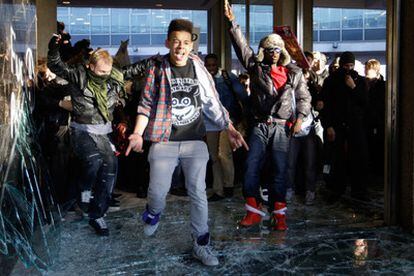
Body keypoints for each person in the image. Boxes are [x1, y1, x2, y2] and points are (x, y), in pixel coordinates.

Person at [126, 19, 247, 266]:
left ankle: (201, 245)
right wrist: (138, 134)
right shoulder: (157, 68)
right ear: (167, 43)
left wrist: (230, 127)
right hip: (163, 140)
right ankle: (153, 212)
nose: (180, 47)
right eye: (176, 42)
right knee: (158, 193)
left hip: (194, 142)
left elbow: (212, 101)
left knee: (198, 193)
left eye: (185, 42)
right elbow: (146, 103)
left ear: (192, 45)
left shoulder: (198, 67)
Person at [47, 36, 153, 236]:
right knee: (93, 162)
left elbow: (138, 68)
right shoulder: (77, 74)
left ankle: (97, 214)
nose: (105, 76)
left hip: (104, 130)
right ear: (90, 66)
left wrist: (157, 60)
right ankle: (83, 196)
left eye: (108, 71)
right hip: (82, 129)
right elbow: (56, 65)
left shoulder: (114, 75)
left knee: (110, 169)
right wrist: (54, 46)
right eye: (101, 72)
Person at [224, 0, 311, 230]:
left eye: (277, 49)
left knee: (280, 169)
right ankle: (254, 210)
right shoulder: (256, 68)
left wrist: (300, 119)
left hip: (283, 127)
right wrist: (232, 22)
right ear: (265, 51)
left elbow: (304, 98)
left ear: (281, 51)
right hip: (260, 126)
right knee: (251, 166)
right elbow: (242, 48)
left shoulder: (294, 72)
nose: (273, 53)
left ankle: (278, 213)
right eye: (269, 49)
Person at [322, 51, 369, 201]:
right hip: (337, 124)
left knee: (359, 158)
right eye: (345, 66)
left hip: (355, 124)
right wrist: (328, 125)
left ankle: (359, 190)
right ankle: (336, 189)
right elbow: (326, 105)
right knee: (337, 158)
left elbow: (365, 102)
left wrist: (354, 87)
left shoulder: (359, 81)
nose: (348, 69)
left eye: (351, 66)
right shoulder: (331, 81)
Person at [204, 53, 247, 201]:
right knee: (214, 156)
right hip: (210, 122)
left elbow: (242, 96)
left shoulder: (227, 77)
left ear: (217, 64)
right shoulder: (203, 79)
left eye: (213, 65)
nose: (210, 68)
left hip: (228, 121)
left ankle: (228, 186)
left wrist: (240, 119)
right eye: (208, 65)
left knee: (223, 154)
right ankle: (219, 190)